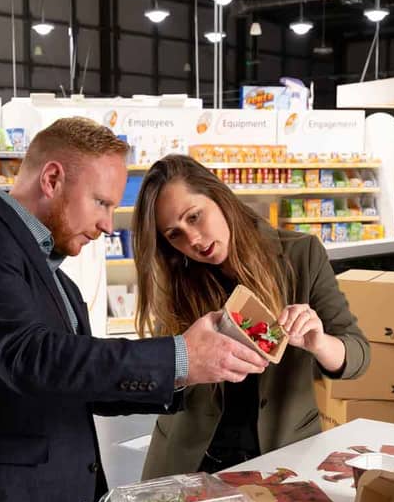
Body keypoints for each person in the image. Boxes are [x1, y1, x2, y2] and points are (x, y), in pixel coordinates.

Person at [0, 118, 268, 502]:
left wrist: (192, 369)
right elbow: (31, 358)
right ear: (52, 179)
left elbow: (82, 384)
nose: (108, 224)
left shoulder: (57, 279)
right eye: (101, 203)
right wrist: (179, 354)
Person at [134, 155, 371, 479]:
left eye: (195, 216)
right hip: (192, 463)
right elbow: (162, 384)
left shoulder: (301, 255)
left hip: (284, 460)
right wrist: (184, 365)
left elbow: (358, 355)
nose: (194, 240)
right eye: (175, 234)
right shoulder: (178, 279)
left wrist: (320, 343)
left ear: (219, 196)